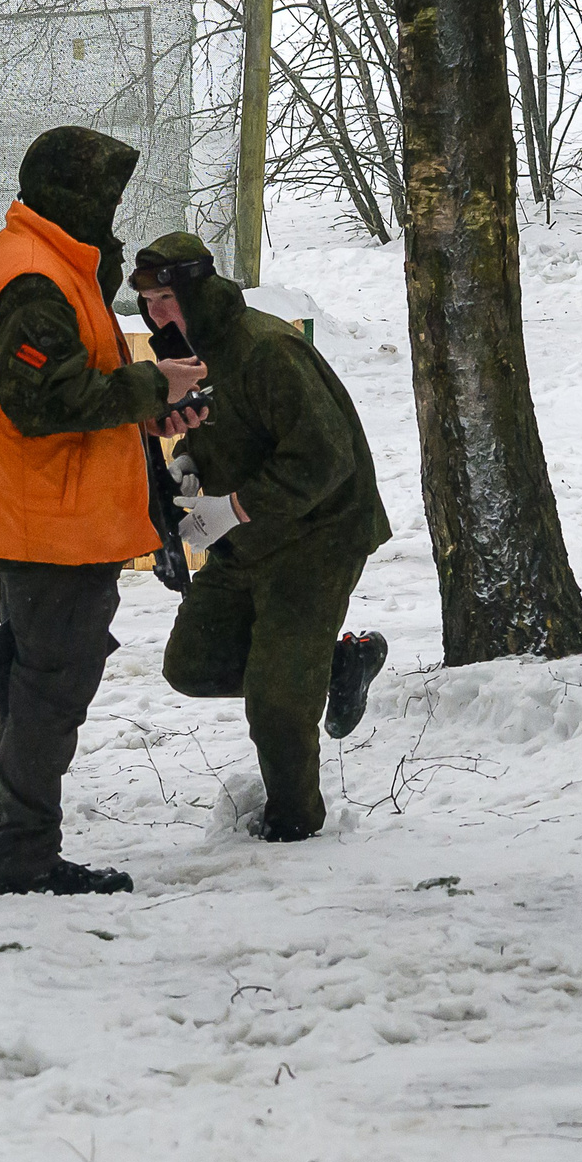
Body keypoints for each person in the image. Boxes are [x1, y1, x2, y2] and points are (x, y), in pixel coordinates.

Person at [0, 127, 209, 896]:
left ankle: (23, 850)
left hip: (51, 517)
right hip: (49, 526)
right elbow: (43, 402)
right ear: (74, 195)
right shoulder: (35, 275)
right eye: (105, 194)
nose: (113, 208)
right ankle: (25, 861)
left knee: (42, 680)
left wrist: (149, 411)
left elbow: (73, 387)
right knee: (49, 690)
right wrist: (148, 388)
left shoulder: (52, 264)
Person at [130, 232, 391, 844]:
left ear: (195, 290)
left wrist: (236, 508)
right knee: (192, 664)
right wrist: (189, 466)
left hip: (318, 535)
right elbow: (229, 431)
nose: (155, 312)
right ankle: (332, 665)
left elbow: (326, 459)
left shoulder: (267, 349)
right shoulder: (192, 353)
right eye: (147, 301)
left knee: (276, 704)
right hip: (244, 537)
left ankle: (293, 826)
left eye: (166, 297)